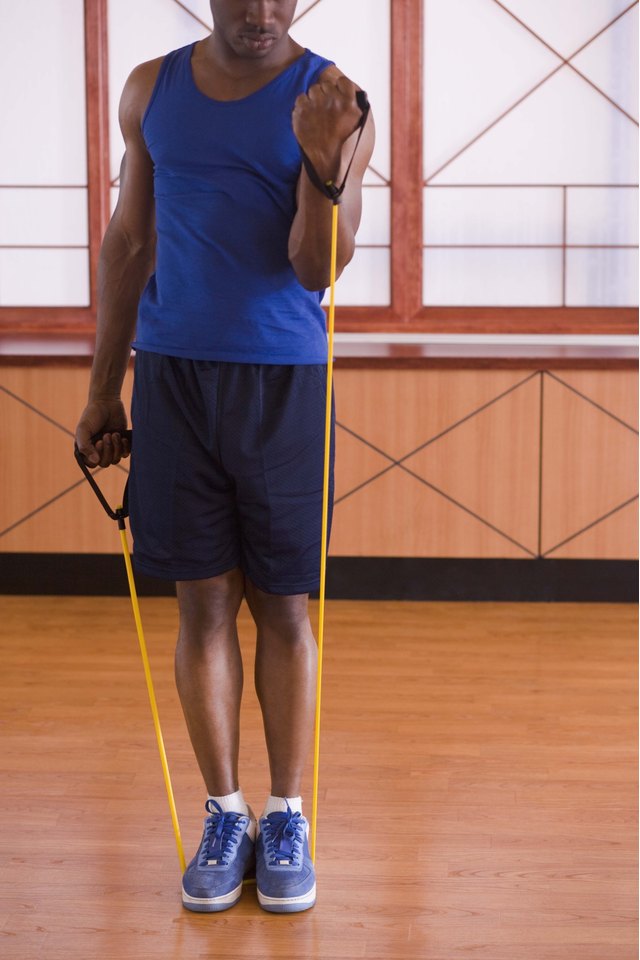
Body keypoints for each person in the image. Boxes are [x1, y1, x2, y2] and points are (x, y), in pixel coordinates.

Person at [75, 0, 374, 915]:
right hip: (171, 377)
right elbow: (130, 240)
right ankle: (226, 812)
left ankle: (287, 816)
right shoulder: (150, 90)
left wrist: (324, 164)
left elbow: (318, 268)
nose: (262, 10)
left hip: (281, 379)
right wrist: (101, 388)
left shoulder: (332, 96)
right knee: (202, 603)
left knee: (282, 606)